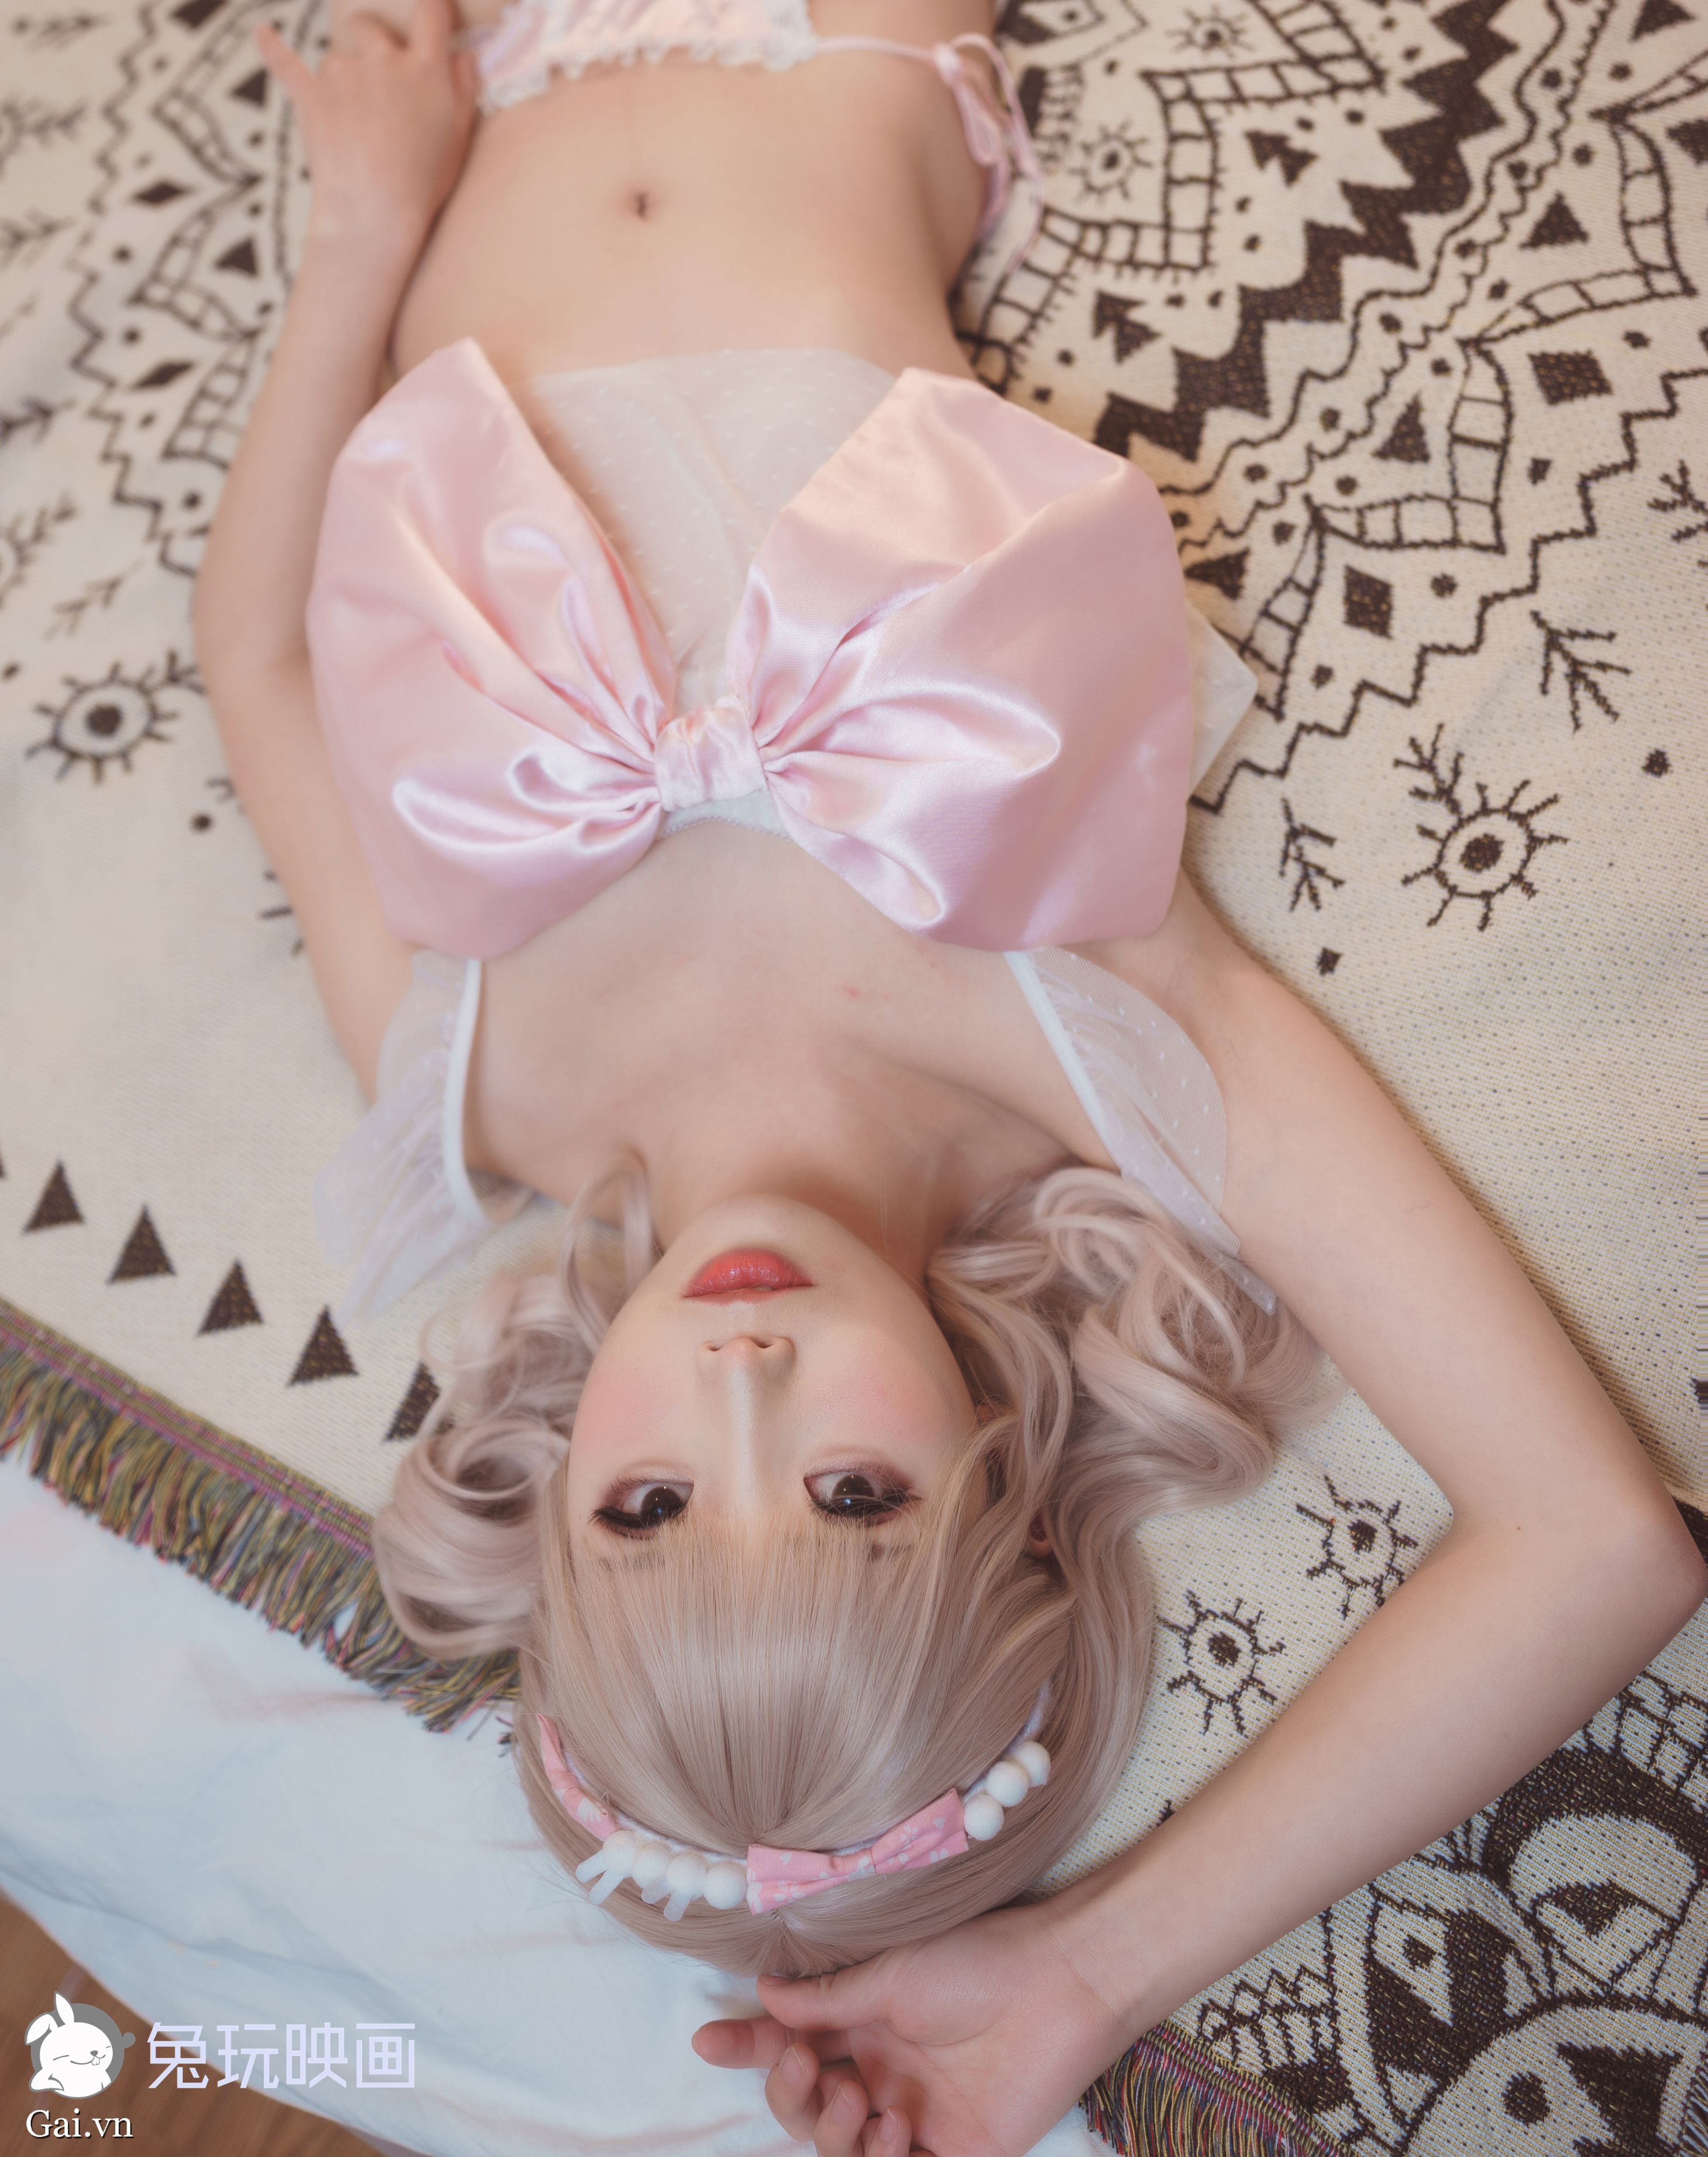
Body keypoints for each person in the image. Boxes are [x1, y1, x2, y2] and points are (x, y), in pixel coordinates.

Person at [193, 0, 1706, 2148]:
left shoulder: (485, 1079)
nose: (741, 1384)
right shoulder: (1083, 1016)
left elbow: (258, 659)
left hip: (471, 95)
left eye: (648, 1507)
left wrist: (362, 233)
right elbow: (1594, 1543)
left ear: (556, 1510)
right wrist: (1088, 1968)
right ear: (1002, 1489)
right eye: (853, 1493)